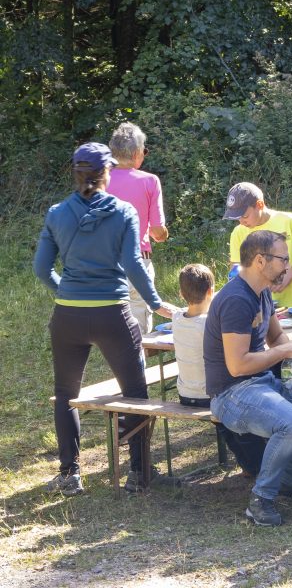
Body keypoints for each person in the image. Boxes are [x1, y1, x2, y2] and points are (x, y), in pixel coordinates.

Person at [33, 143, 176, 496]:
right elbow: (133, 263)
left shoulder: (56, 213)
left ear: (76, 173)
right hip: (113, 313)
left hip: (68, 316)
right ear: (106, 174)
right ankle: (139, 473)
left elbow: (40, 267)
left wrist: (65, 290)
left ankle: (70, 475)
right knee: (135, 392)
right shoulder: (123, 211)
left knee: (66, 394)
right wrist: (156, 303)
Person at [205, 230, 292, 527]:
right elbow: (237, 365)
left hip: (262, 384)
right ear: (260, 260)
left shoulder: (261, 292)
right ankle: (261, 500)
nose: (287, 266)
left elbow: (276, 336)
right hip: (232, 394)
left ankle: (287, 477)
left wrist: (290, 351)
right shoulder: (236, 300)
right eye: (283, 259)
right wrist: (283, 353)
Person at [171, 264, 266, 476]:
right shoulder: (213, 322)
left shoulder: (176, 318)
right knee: (238, 412)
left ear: (180, 293)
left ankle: (249, 464)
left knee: (228, 424)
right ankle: (258, 465)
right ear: (211, 292)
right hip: (212, 394)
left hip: (186, 395)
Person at [107, 122, 168, 334]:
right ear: (135, 153)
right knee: (138, 330)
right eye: (144, 150)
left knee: (111, 322)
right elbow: (158, 230)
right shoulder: (150, 181)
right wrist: (160, 234)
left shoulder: (97, 181)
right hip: (137, 259)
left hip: (104, 261)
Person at [224, 182, 292, 308]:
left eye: (245, 216)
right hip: (258, 306)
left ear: (259, 205)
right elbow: (236, 271)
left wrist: (289, 276)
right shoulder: (238, 232)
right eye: (237, 218)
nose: (241, 221)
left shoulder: (289, 220)